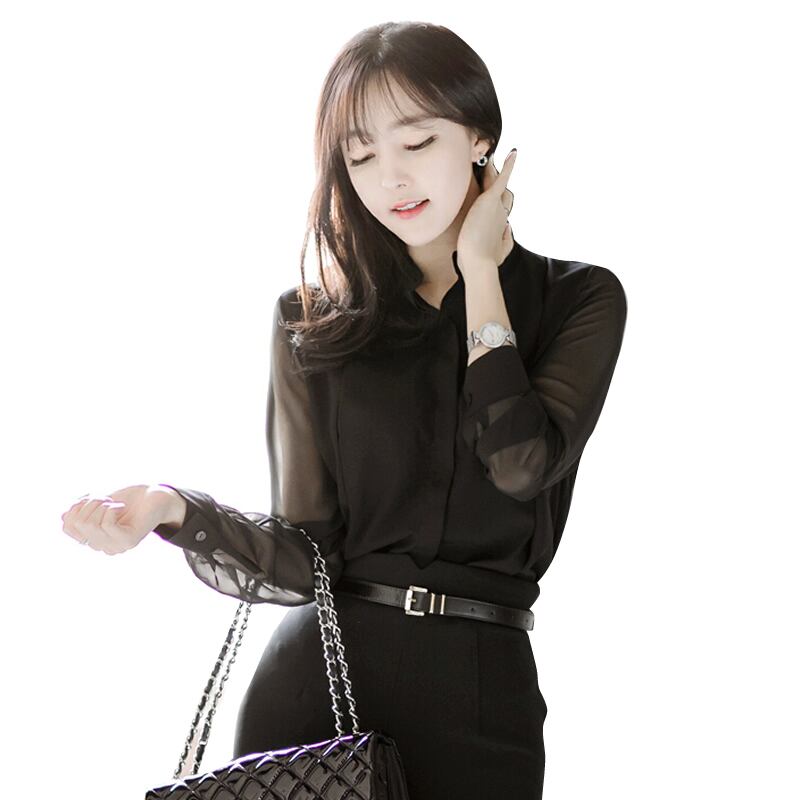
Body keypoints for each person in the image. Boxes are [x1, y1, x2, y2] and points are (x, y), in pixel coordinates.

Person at [60, 21, 627, 799]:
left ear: (479, 138)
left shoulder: (578, 299)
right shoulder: (312, 321)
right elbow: (305, 557)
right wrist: (172, 509)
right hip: (316, 703)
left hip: (481, 700)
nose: (391, 178)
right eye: (361, 156)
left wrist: (479, 273)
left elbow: (520, 463)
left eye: (417, 141)